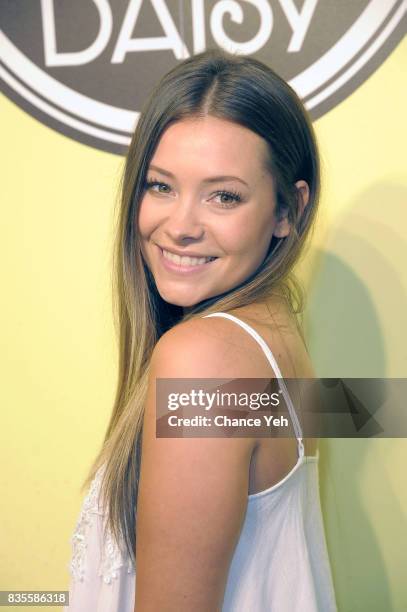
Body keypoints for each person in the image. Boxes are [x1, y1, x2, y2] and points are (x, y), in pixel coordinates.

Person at [64, 49, 337, 611]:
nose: (180, 227)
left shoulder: (204, 358)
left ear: (289, 209)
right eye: (160, 186)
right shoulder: (272, 333)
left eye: (224, 196)